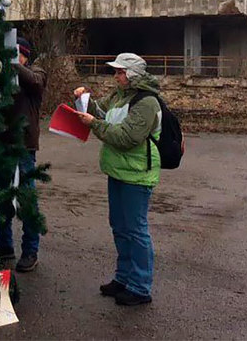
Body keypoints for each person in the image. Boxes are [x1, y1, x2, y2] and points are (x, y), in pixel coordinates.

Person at [73, 53, 162, 307]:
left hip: (137, 173)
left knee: (136, 230)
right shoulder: (119, 96)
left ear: (132, 74)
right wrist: (84, 100)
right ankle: (123, 278)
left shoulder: (147, 102)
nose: (116, 76)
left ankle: (141, 286)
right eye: (116, 72)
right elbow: (101, 113)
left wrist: (94, 125)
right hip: (118, 171)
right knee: (120, 227)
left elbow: (126, 137)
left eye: (120, 72)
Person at [0, 37, 47, 272]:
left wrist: (13, 62)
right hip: (1, 143)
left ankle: (30, 251)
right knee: (0, 195)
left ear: (25, 55)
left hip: (24, 146)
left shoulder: (36, 72)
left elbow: (35, 82)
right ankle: (4, 246)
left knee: (27, 199)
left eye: (18, 54)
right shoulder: (3, 76)